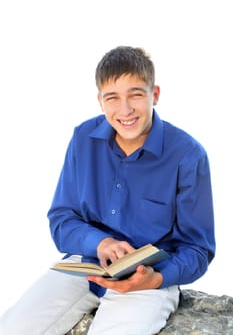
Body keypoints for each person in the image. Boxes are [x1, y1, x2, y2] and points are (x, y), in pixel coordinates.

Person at [0, 46, 215, 335]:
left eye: (136, 95)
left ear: (155, 94)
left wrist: (155, 278)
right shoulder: (83, 138)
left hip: (148, 281)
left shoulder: (188, 156)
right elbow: (63, 219)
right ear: (100, 101)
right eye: (112, 97)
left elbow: (198, 249)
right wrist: (100, 243)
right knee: (13, 328)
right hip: (85, 266)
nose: (125, 110)